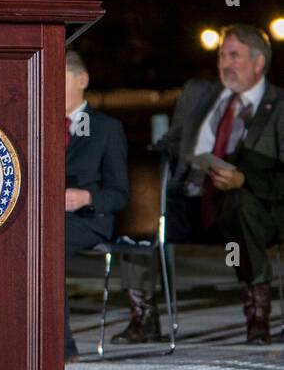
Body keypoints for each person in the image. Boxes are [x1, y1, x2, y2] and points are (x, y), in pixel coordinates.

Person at [116, 24, 284, 344]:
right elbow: (169, 143)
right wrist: (136, 166)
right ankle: (144, 316)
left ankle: (257, 318)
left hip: (252, 211)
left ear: (259, 62)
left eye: (234, 55)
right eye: (222, 55)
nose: (225, 63)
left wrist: (243, 178)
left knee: (240, 203)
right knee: (138, 202)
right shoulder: (198, 93)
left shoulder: (280, 106)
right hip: (191, 201)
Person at [61, 50, 129, 361]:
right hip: (48, 220)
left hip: (89, 220)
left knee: (44, 248)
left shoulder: (106, 128)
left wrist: (87, 198)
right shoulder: (38, 123)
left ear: (82, 79)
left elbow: (120, 193)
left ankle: (61, 347)